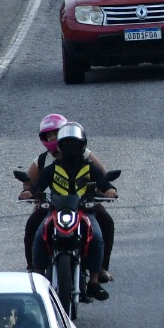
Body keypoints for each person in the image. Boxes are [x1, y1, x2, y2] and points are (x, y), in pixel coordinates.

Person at [22, 113, 114, 283]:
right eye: (49, 135)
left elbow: (103, 176)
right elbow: (32, 185)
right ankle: (35, 270)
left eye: (56, 134)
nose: (53, 138)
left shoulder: (86, 158)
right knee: (34, 227)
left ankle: (100, 269)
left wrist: (106, 190)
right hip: (55, 205)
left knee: (104, 224)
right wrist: (33, 195)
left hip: (84, 204)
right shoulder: (44, 161)